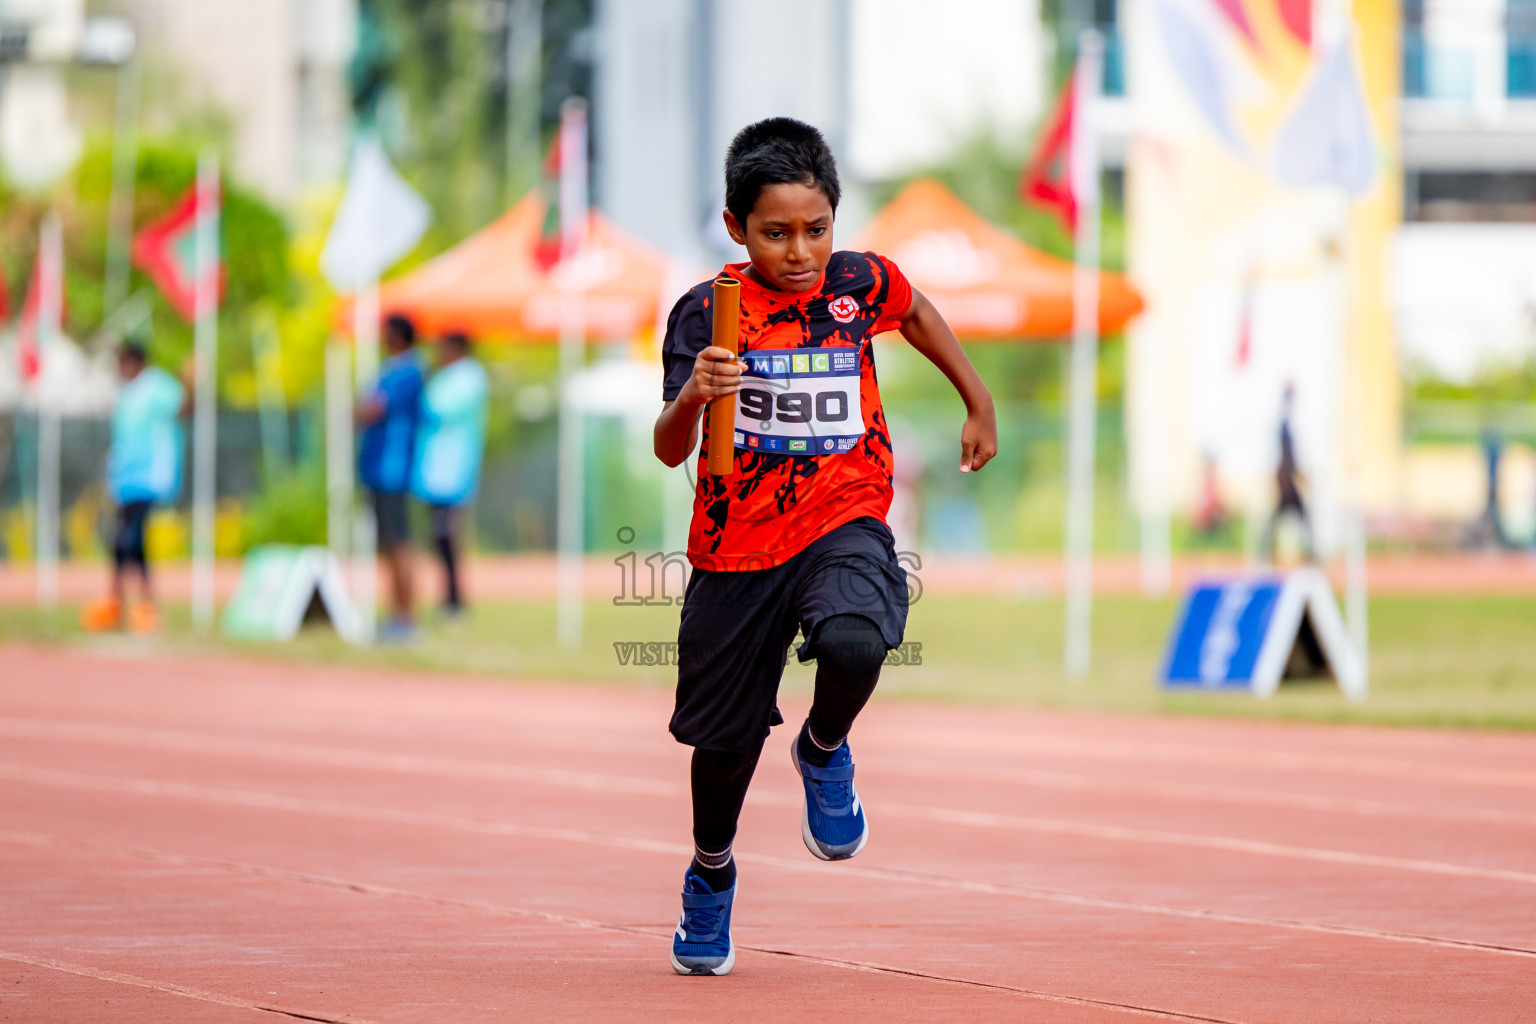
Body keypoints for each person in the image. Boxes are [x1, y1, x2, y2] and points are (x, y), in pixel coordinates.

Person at [653, 118, 997, 976]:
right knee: (724, 749)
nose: (799, 251)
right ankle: (712, 872)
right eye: (776, 233)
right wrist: (697, 392)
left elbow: (913, 308)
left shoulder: (857, 284)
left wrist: (976, 394)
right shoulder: (705, 312)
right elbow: (666, 447)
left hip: (845, 512)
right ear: (736, 227)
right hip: (735, 547)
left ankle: (823, 747)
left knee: (854, 638)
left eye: (816, 229)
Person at [81, 340, 188, 634]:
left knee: (130, 539)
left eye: (123, 362)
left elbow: (183, 407)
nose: (120, 369)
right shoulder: (126, 393)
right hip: (124, 479)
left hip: (150, 476)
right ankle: (123, 603)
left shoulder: (156, 386)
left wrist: (190, 380)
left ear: (135, 361)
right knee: (125, 544)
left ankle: (140, 604)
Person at [357, 314, 425, 641]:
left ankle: (406, 615)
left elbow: (373, 409)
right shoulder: (392, 369)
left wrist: (358, 411)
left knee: (399, 541)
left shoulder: (408, 371)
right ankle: (397, 612)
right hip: (377, 466)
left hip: (392, 469)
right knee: (388, 541)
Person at [411, 331, 489, 617]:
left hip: (452, 469)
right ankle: (450, 597)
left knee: (448, 533)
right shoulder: (452, 377)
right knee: (439, 535)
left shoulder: (468, 377)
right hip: (439, 468)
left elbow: (433, 408)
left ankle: (455, 599)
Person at [1263, 382, 1313, 563]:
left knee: (1291, 518)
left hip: (1287, 480)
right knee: (1298, 517)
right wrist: (1293, 475)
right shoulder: (1284, 426)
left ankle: (1266, 553)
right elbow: (1288, 457)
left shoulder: (1286, 424)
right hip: (1287, 482)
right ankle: (1266, 553)